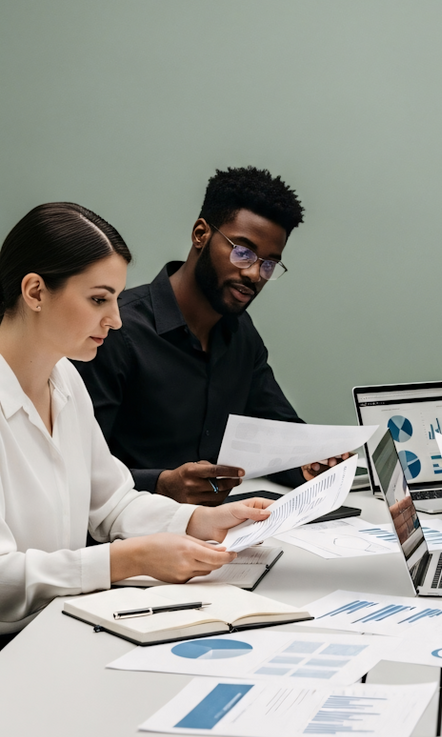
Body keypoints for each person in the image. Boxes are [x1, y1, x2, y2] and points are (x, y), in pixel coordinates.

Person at [0, 202, 274, 639]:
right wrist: (128, 560)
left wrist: (199, 521)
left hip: (59, 625)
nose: (115, 319)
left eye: (115, 297)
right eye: (98, 299)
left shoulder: (65, 378)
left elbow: (112, 504)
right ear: (35, 292)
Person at [75, 166, 347, 507]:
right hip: (129, 529)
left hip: (217, 527)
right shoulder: (115, 331)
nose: (254, 274)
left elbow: (278, 433)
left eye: (268, 264)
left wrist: (312, 461)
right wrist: (160, 484)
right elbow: (75, 467)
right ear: (201, 234)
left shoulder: (241, 334)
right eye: (243, 252)